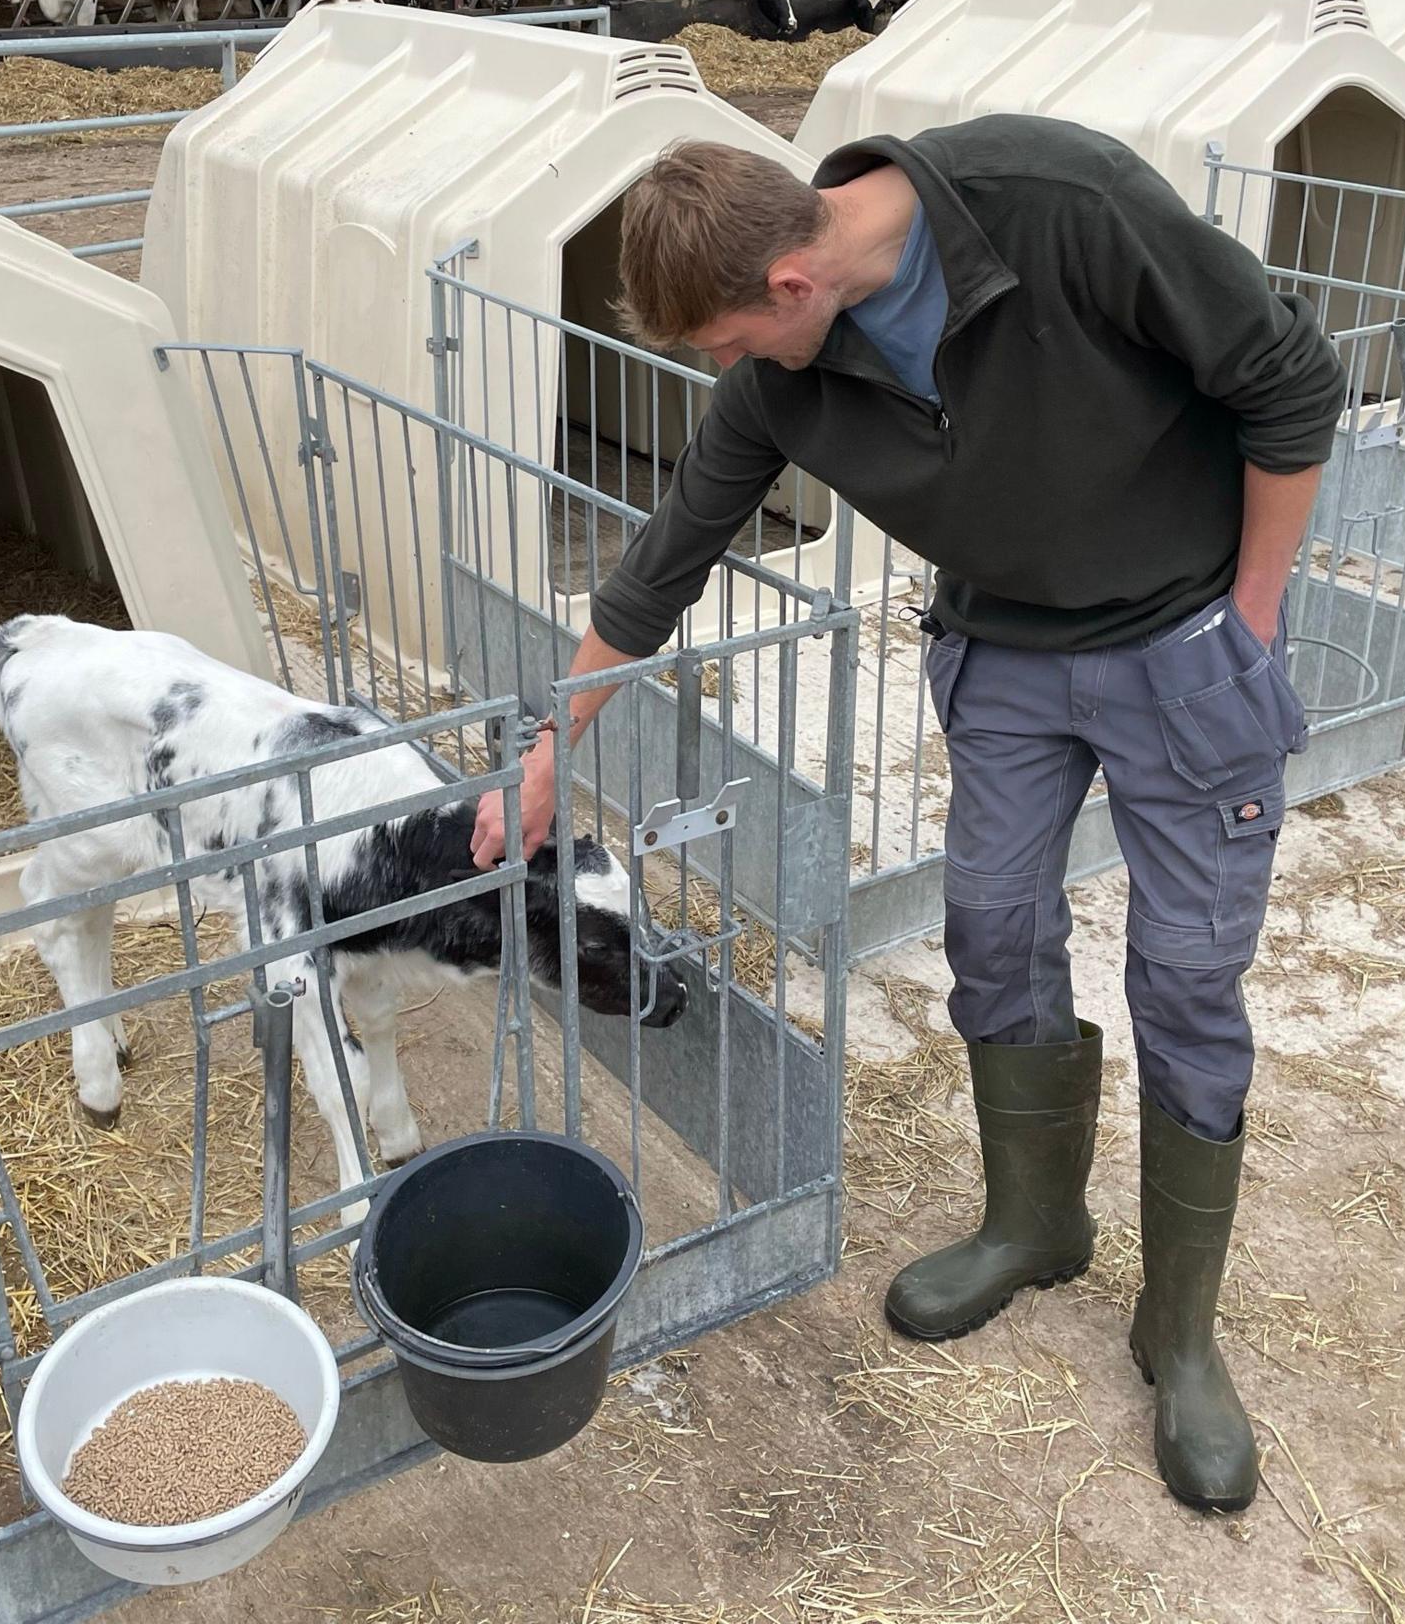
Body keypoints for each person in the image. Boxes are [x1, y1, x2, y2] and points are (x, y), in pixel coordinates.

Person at [470, 118, 1345, 1511]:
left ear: (795, 286)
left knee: (1186, 970)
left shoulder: (1066, 206)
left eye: (728, 344)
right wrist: (545, 748)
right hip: (1006, 652)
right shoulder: (787, 375)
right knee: (992, 926)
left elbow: (1291, 381)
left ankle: (1178, 1335)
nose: (726, 375)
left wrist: (1247, 620)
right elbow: (664, 562)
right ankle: (1035, 1222)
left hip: (1184, 638)